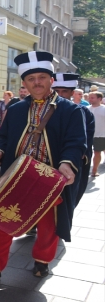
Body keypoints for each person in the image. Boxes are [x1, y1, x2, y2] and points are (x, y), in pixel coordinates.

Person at [0, 51, 86, 281]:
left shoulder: (71, 110)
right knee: (3, 219)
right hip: (17, 175)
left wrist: (67, 163)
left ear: (51, 80)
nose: (37, 82)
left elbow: (76, 142)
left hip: (51, 175)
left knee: (48, 224)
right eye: (31, 79)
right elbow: (2, 136)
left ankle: (42, 262)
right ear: (24, 83)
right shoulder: (15, 109)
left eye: (41, 78)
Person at [52, 73, 95, 205]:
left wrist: (72, 159)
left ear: (72, 92)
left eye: (64, 91)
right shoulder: (42, 110)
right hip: (44, 163)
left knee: (63, 205)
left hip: (68, 164)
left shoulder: (82, 112)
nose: (60, 94)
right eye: (56, 91)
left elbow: (85, 141)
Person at [89, 91, 105, 177]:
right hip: (88, 135)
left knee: (97, 152)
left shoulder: (103, 109)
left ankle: (94, 171)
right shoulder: (86, 108)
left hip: (100, 135)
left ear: (99, 99)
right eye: (89, 97)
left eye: (92, 97)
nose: (90, 99)